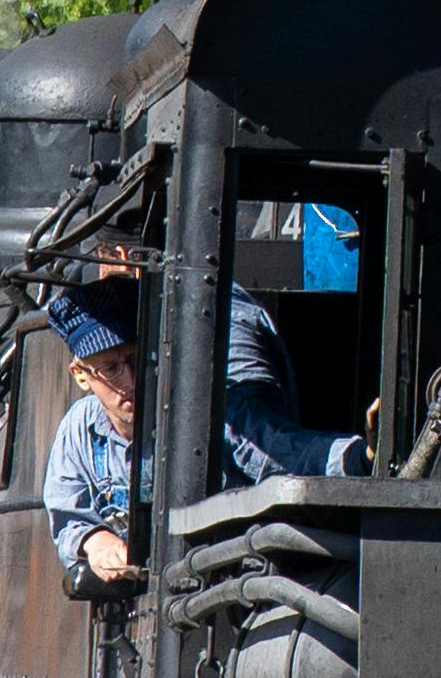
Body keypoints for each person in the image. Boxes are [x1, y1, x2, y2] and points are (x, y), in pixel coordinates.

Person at [39, 239, 368, 598]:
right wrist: (97, 542)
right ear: (80, 375)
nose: (130, 381)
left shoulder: (214, 410)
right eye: (111, 369)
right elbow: (68, 515)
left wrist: (361, 455)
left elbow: (285, 452)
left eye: (135, 360)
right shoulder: (78, 432)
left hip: (232, 593)